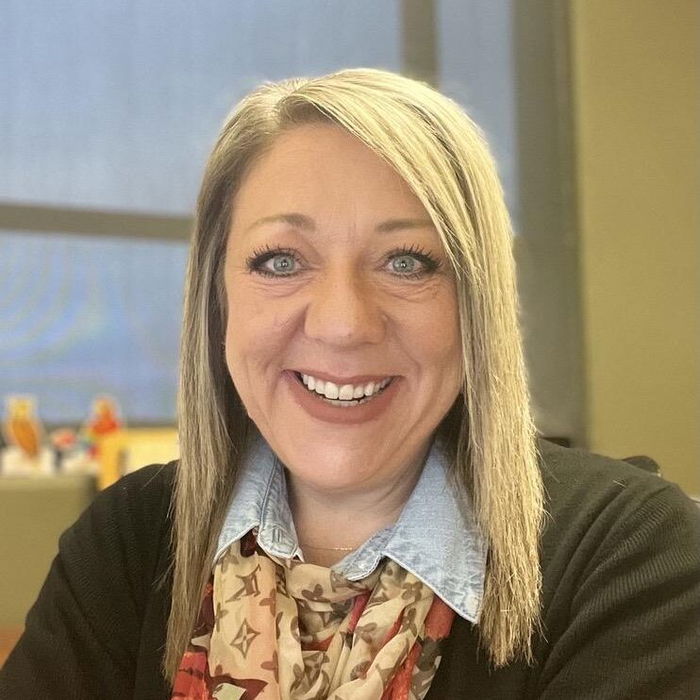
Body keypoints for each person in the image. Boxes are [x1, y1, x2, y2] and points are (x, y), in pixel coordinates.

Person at [1, 68, 699, 699]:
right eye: (280, 260)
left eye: (407, 261)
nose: (342, 325)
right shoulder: (128, 544)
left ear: (475, 304)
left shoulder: (630, 559)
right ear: (218, 299)